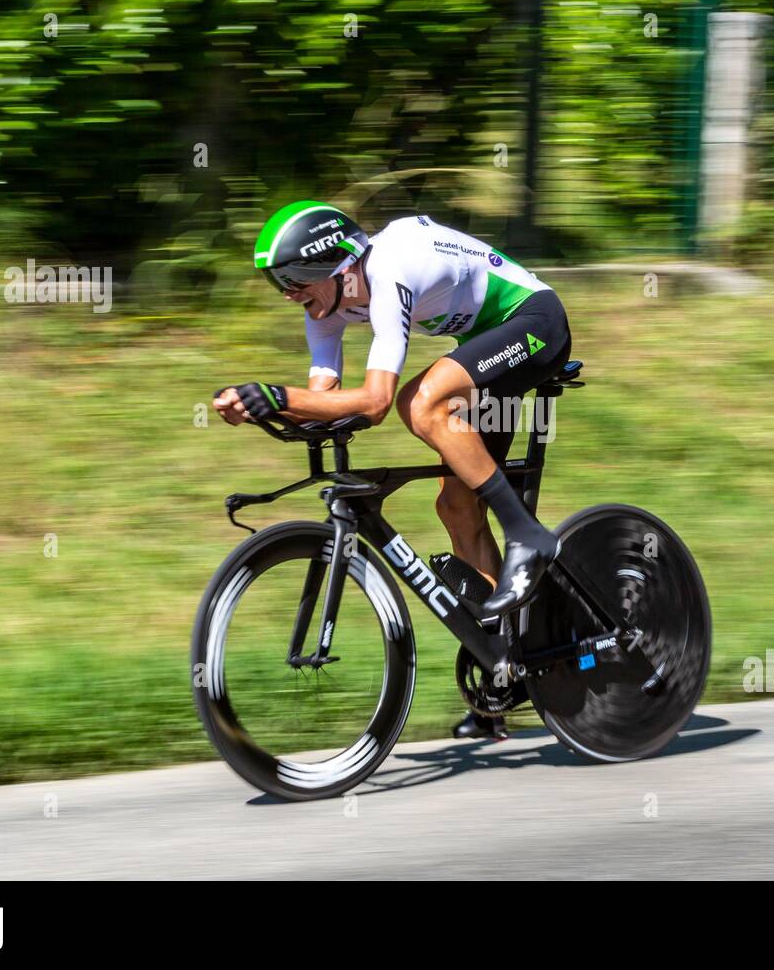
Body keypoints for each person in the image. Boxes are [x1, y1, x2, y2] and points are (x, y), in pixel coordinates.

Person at [213, 200, 572, 738]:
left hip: (534, 323)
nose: (288, 293)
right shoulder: (327, 309)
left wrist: (275, 393)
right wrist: (264, 406)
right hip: (482, 347)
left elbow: (375, 402)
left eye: (293, 278)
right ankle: (506, 667)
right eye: (277, 283)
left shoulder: (389, 267)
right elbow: (325, 403)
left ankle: (528, 536)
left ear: (338, 264)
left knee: (418, 402)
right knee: (455, 505)